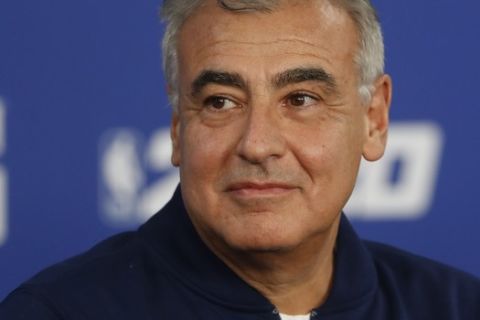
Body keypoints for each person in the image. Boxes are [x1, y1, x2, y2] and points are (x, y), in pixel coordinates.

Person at [1, 0, 479, 319]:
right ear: (177, 127)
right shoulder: (56, 312)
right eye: (221, 102)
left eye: (301, 99)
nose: (257, 143)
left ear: (373, 119)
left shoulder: (456, 306)